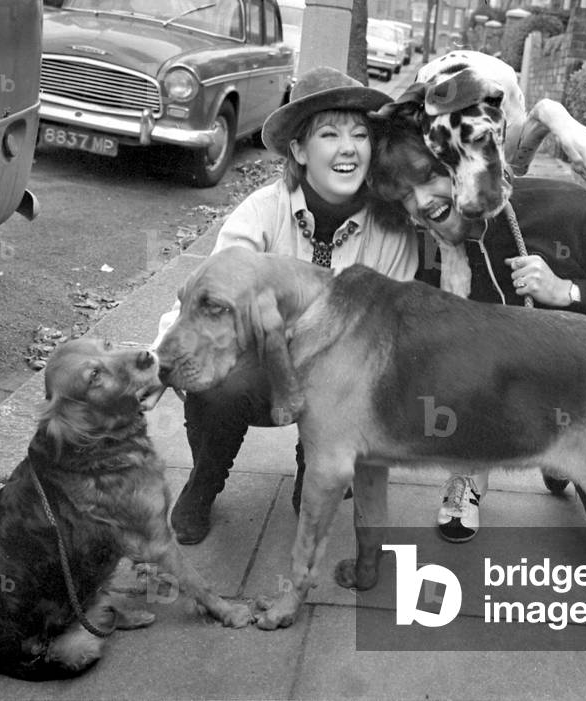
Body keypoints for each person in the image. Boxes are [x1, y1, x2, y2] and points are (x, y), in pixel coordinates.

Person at [369, 114, 586, 543]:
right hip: (498, 393)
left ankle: (560, 460)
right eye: (405, 195)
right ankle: (469, 474)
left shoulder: (573, 210)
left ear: (463, 167)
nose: (421, 202)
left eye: (428, 178)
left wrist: (567, 290)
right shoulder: (430, 245)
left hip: (585, 392)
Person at [156, 67, 417, 544]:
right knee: (217, 382)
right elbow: (210, 300)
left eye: (360, 135)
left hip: (344, 377)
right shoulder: (261, 211)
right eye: (330, 134)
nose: (348, 148)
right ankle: (204, 482)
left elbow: (390, 337)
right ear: (299, 149)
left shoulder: (393, 230)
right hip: (262, 366)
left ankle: (312, 470)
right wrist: (162, 358)